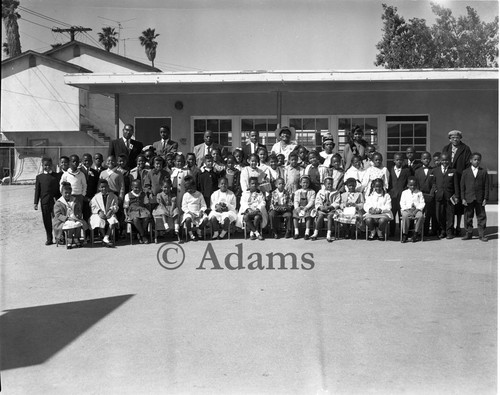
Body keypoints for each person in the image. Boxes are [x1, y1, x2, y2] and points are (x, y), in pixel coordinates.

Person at [442, 130, 472, 237]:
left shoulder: (465, 149)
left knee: (458, 204)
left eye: (457, 137)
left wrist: (464, 178)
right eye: (453, 138)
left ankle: (458, 227)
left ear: (460, 138)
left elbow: (468, 165)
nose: (455, 139)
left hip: (459, 179)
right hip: (448, 180)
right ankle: (448, 227)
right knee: (449, 205)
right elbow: (443, 162)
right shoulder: (446, 148)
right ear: (449, 139)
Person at [460, 152, 489, 242]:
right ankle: (468, 233)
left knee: (481, 217)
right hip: (468, 198)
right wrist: (463, 198)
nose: (477, 161)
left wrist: (485, 198)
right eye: (475, 160)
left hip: (479, 198)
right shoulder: (465, 172)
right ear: (471, 160)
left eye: (478, 160)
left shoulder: (483, 172)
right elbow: (462, 186)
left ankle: (482, 234)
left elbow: (486, 186)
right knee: (468, 216)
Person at [432, 153, 459, 239]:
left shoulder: (453, 171)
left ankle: (449, 232)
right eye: (443, 160)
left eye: (446, 160)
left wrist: (457, 196)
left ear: (449, 161)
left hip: (450, 197)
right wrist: (435, 190)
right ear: (440, 160)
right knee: (439, 215)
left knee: (450, 214)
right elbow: (433, 182)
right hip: (439, 196)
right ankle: (442, 230)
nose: (445, 162)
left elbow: (456, 185)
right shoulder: (435, 170)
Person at [53, 182, 88, 248]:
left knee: (78, 223)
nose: (67, 194)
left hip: (74, 217)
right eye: (65, 193)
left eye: (69, 193)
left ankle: (76, 238)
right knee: (71, 224)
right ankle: (69, 240)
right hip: (62, 220)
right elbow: (57, 215)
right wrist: (67, 218)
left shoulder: (74, 200)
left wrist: (78, 215)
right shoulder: (58, 203)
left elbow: (79, 209)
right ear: (62, 192)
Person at [34, 157, 61, 245]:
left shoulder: (56, 176)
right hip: (44, 202)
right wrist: (35, 202)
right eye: (45, 165)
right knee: (47, 220)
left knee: (57, 219)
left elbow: (59, 190)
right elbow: (37, 190)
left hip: (55, 202)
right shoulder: (39, 177)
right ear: (42, 165)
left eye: (49, 165)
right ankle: (49, 238)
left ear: (51, 165)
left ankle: (59, 237)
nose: (47, 167)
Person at [89, 179, 119, 247]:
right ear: (99, 188)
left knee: (113, 220)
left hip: (109, 213)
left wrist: (111, 210)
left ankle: (106, 237)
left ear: (108, 187)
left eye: (105, 187)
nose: (104, 188)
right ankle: (104, 237)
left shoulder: (113, 196)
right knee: (99, 221)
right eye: (102, 187)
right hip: (98, 214)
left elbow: (116, 205)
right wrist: (99, 211)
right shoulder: (96, 197)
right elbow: (92, 206)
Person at [388, 152, 411, 237]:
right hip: (393, 196)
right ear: (394, 160)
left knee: (403, 215)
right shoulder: (390, 170)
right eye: (397, 160)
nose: (399, 161)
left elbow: (408, 183)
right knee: (392, 215)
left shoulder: (406, 170)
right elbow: (389, 183)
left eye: (401, 160)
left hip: (402, 197)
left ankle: (403, 232)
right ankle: (392, 232)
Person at [311, 176, 340, 242]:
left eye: (331, 184)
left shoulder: (336, 192)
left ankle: (328, 234)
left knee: (330, 217)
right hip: (322, 209)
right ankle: (315, 233)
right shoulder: (320, 192)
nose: (330, 185)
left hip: (331, 209)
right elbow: (317, 201)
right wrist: (321, 207)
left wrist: (330, 207)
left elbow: (337, 202)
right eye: (328, 184)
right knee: (320, 216)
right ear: (324, 184)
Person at [414, 152, 437, 236]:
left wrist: (431, 194)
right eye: (424, 158)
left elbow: (434, 183)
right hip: (420, 196)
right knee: (420, 214)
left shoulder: (433, 170)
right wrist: (419, 194)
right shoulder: (417, 171)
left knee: (428, 214)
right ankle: (418, 231)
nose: (426, 160)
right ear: (421, 160)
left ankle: (426, 231)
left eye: (428, 158)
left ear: (430, 159)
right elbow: (416, 184)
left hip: (430, 196)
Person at [124, 179, 152, 244]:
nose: (137, 189)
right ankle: (143, 235)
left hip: (142, 209)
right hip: (132, 210)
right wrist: (126, 216)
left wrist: (149, 212)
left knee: (146, 217)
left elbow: (147, 204)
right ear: (132, 187)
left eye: (139, 187)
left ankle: (140, 233)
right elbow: (125, 207)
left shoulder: (143, 194)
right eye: (135, 187)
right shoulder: (128, 195)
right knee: (135, 219)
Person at [181, 176, 208, 241]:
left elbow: (203, 205)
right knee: (187, 219)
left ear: (194, 186)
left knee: (206, 219)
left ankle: (199, 230)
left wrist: (201, 211)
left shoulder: (199, 194)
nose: (189, 190)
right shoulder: (186, 195)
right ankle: (191, 234)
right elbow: (184, 206)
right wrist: (190, 213)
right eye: (187, 189)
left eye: (190, 188)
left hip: (198, 211)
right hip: (189, 212)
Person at [400, 177, 425, 243]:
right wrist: (408, 211)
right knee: (405, 216)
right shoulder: (404, 193)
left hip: (416, 210)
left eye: (414, 185)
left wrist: (416, 210)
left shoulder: (419, 193)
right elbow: (402, 203)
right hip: (407, 209)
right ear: (407, 185)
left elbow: (422, 203)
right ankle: (405, 234)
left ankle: (416, 233)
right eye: (411, 185)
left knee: (420, 216)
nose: (412, 187)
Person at [292, 175, 316, 240]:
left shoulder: (312, 192)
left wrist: (306, 207)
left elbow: (312, 201)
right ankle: (296, 232)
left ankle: (307, 232)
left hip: (308, 207)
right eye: (304, 182)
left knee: (308, 215)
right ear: (300, 183)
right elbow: (296, 201)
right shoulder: (297, 192)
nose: (305, 184)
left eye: (307, 182)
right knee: (295, 214)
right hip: (299, 207)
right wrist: (297, 207)